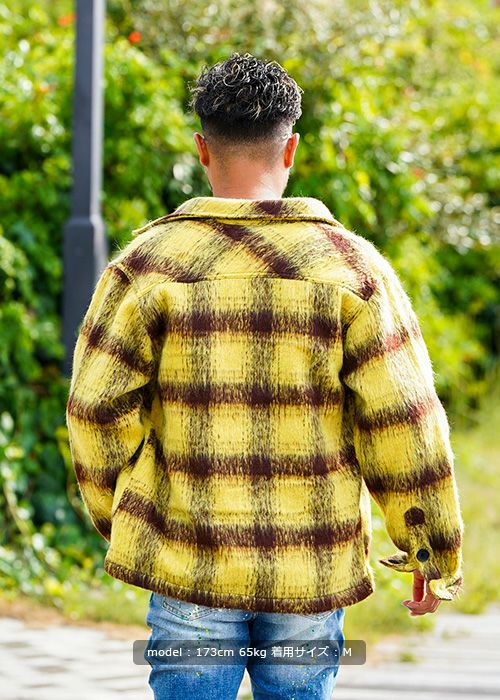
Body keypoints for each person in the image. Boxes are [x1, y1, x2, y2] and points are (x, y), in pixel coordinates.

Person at [66, 52, 464, 700]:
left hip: (187, 561)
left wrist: (129, 515)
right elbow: (404, 419)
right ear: (292, 148)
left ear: (202, 148)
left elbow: (94, 409)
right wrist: (428, 546)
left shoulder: (147, 267)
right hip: (311, 569)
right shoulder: (353, 270)